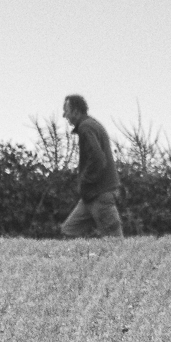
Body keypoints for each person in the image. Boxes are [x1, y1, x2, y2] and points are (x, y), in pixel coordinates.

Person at [59, 94, 123, 239]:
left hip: (100, 194)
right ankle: (80, 261)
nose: (64, 115)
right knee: (68, 231)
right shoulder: (90, 125)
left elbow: (98, 159)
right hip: (91, 196)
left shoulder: (86, 127)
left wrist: (84, 180)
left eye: (66, 110)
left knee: (115, 244)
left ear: (76, 111)